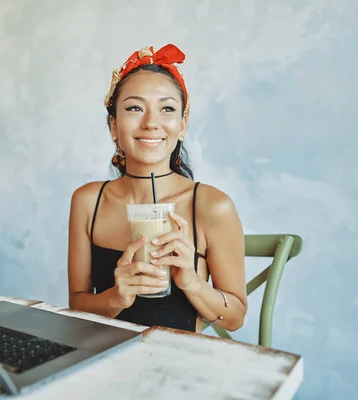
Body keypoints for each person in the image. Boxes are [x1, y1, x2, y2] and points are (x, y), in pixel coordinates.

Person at [67, 44, 247, 333]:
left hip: (179, 365)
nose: (151, 123)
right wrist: (116, 297)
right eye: (134, 108)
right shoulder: (88, 201)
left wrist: (191, 282)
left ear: (182, 124)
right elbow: (76, 305)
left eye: (166, 109)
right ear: (114, 125)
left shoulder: (212, 206)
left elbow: (236, 318)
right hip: (103, 361)